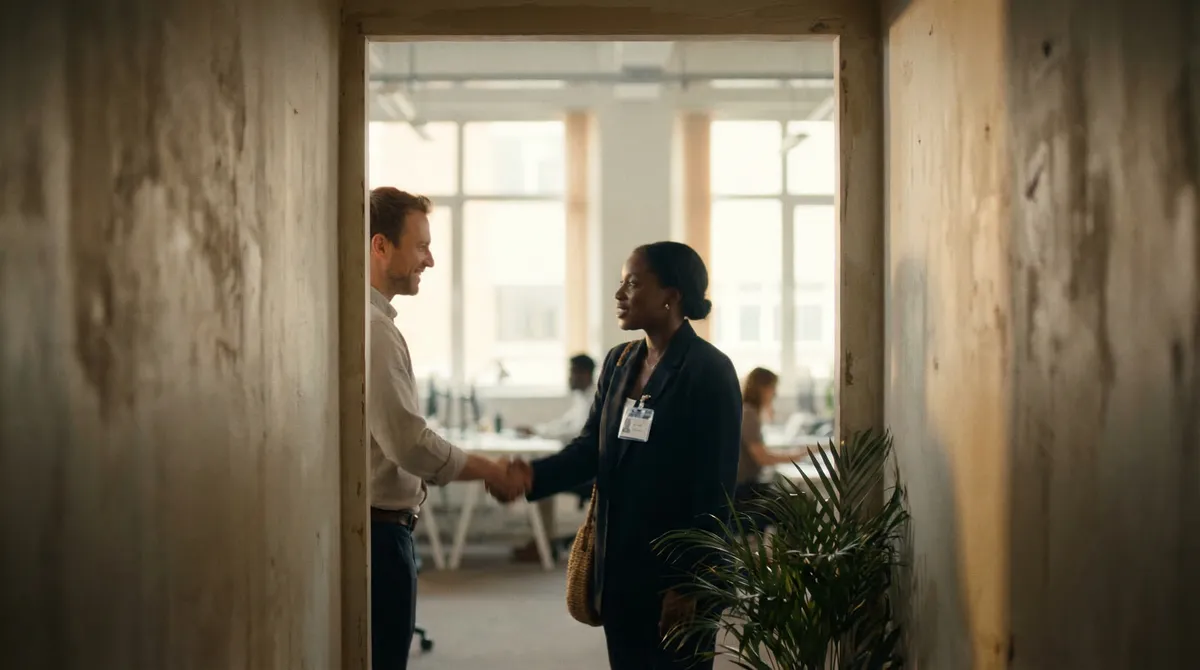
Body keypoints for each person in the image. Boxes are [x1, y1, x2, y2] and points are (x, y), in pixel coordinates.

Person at [498, 241, 742, 670]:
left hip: (676, 573)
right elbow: (591, 450)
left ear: (672, 295)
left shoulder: (708, 370)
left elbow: (714, 489)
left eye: (633, 283)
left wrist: (690, 583)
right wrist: (530, 477)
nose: (619, 294)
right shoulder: (619, 362)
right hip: (619, 568)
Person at [366, 187, 524, 670]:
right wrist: (491, 470)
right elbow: (410, 445)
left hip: (381, 530)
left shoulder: (371, 323)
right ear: (380, 246)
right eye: (421, 246)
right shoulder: (373, 330)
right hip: (379, 536)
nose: (430, 260)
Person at [511, 353, 597, 562]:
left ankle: (543, 545)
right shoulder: (582, 398)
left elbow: (576, 433)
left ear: (584, 374)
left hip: (588, 472)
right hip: (579, 464)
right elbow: (563, 424)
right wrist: (536, 430)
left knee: (542, 481)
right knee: (540, 477)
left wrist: (539, 433)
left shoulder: (594, 399)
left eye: (572, 372)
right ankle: (543, 542)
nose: (569, 378)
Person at [734, 367, 808, 531]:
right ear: (762, 388)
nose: (775, 394)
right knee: (795, 505)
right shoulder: (749, 413)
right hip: (744, 492)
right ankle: (790, 553)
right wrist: (795, 456)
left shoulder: (748, 411)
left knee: (791, 498)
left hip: (746, 487)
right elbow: (762, 458)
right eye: (773, 388)